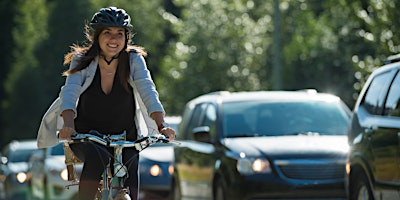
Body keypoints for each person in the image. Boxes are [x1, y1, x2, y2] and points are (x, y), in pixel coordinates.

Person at [37, 6, 175, 200]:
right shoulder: (82, 60)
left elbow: (148, 91)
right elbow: (70, 93)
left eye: (120, 33)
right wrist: (68, 125)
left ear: (127, 37)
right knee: (97, 155)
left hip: (126, 136)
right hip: (88, 136)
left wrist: (162, 126)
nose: (114, 39)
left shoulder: (134, 60)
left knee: (131, 166)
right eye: (107, 33)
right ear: (96, 36)